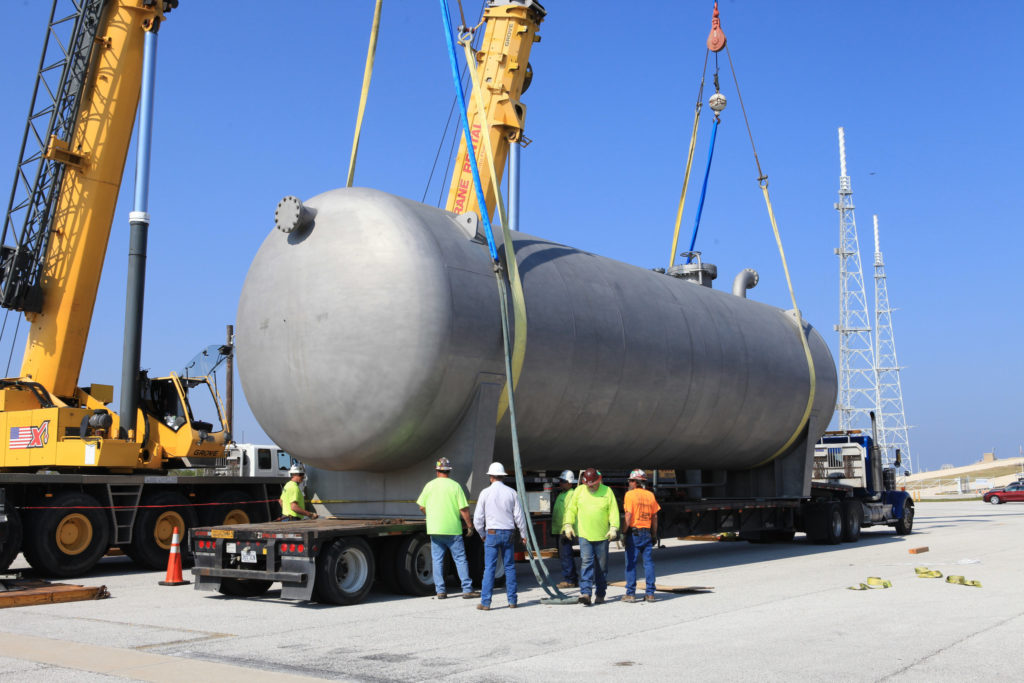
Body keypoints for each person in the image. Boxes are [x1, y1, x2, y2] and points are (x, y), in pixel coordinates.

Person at [415, 457, 479, 600]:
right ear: (449, 471)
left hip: (435, 529)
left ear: (437, 471)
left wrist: (431, 516)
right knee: (460, 559)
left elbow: (421, 506)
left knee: (437, 560)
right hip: (453, 529)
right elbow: (463, 509)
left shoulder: (429, 486)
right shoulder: (455, 486)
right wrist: (470, 526)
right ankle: (467, 589)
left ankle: (441, 591)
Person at [473, 462, 529, 610]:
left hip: (491, 533)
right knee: (509, 567)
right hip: (508, 533)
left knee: (489, 568)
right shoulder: (511, 492)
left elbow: (478, 518)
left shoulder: (485, 493)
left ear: (491, 477)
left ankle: (486, 603)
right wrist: (524, 534)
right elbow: (519, 516)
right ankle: (512, 601)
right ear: (503, 477)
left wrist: (482, 534)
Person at [563, 468, 618, 605]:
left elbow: (613, 511)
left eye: (592, 484)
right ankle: (586, 593)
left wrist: (613, 527)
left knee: (601, 567)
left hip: (602, 536)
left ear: (598, 481)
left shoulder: (607, 491)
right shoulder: (579, 491)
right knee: (586, 564)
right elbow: (571, 509)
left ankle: (600, 593)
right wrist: (568, 524)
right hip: (585, 535)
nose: (590, 487)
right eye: (588, 484)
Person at [621, 468, 661, 603]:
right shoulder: (650, 495)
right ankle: (650, 594)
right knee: (648, 563)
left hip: (634, 533)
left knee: (631, 564)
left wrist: (623, 532)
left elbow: (628, 515)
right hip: (647, 532)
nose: (629, 483)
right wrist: (654, 534)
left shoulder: (629, 495)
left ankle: (630, 594)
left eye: (630, 481)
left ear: (635, 482)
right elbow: (655, 517)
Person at [551, 469, 579, 588]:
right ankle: (571, 578)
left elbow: (569, 512)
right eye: (560, 481)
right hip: (559, 529)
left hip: (565, 530)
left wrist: (566, 528)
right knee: (564, 555)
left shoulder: (571, 494)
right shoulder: (562, 494)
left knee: (566, 555)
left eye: (563, 481)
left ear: (569, 482)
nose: (560, 483)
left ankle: (570, 580)